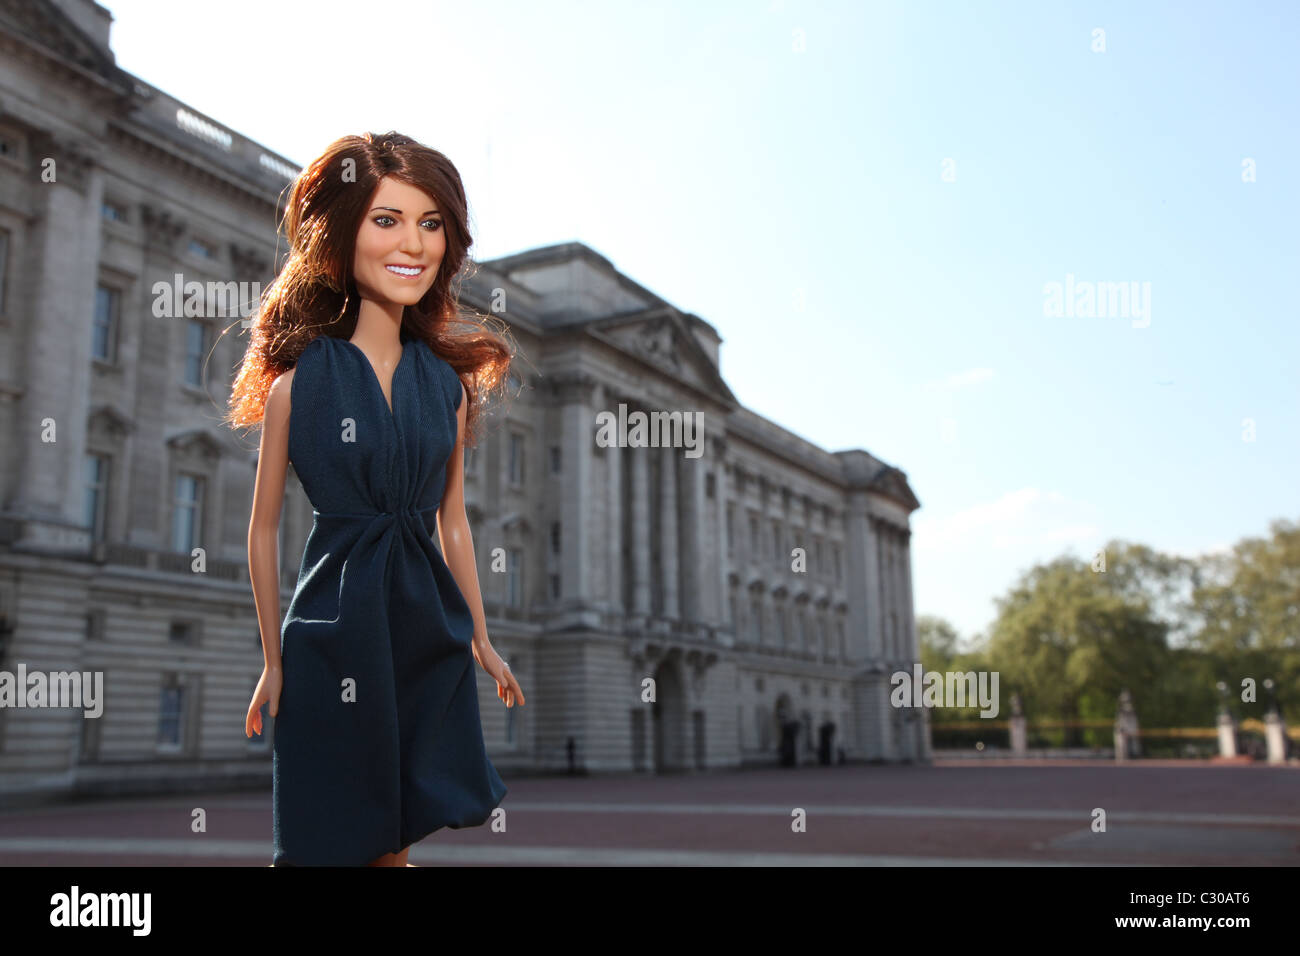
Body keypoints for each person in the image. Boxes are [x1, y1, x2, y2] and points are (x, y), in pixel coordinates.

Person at [224, 131, 526, 866]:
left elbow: (453, 522)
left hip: (427, 624)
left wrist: (481, 638)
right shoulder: (299, 383)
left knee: (396, 839)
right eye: (386, 219)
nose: (413, 244)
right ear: (341, 233)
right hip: (331, 625)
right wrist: (272, 657)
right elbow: (261, 529)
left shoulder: (447, 389)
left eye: (431, 224)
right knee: (332, 833)